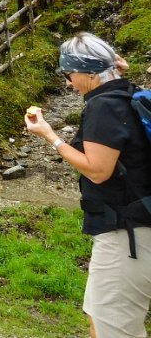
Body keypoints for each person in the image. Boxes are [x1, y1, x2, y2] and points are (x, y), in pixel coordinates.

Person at [25, 32, 151, 338]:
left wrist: (50, 137)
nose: (69, 83)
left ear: (90, 72)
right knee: (99, 319)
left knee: (115, 331)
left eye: (69, 74)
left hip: (126, 235)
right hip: (128, 228)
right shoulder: (127, 93)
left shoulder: (104, 107)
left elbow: (98, 171)